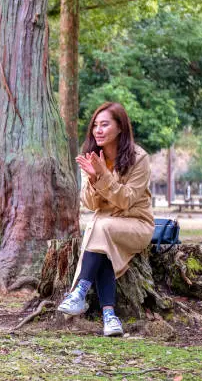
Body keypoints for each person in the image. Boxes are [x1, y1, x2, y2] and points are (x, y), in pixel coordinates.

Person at [58, 102, 154, 336]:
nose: (98, 130)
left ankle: (81, 291)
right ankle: (110, 317)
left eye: (105, 124)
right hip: (105, 226)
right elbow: (90, 204)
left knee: (100, 227)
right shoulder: (89, 157)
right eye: (95, 126)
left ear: (120, 127)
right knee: (102, 234)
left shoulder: (139, 158)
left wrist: (102, 175)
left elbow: (127, 200)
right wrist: (92, 178)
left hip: (136, 224)